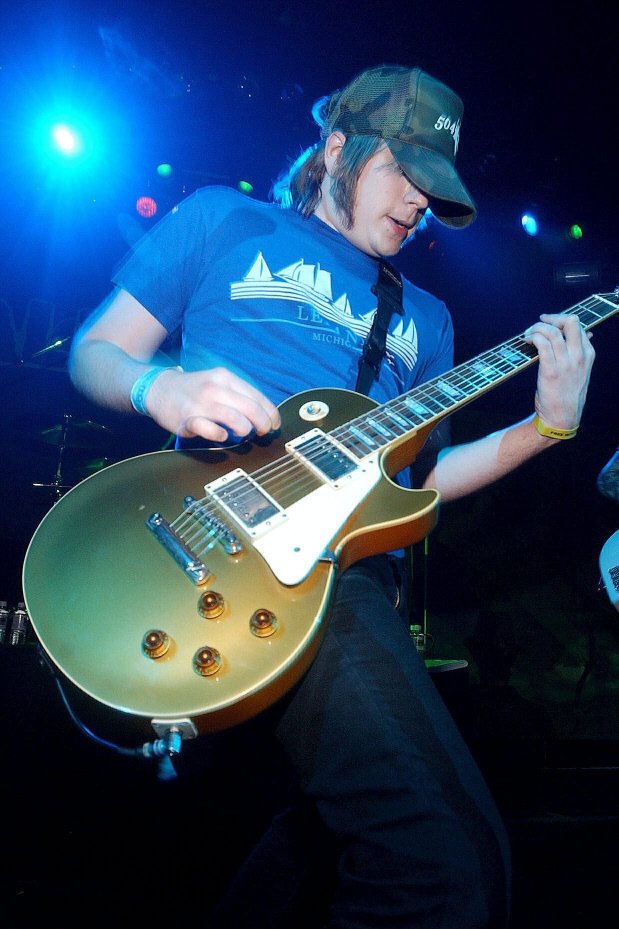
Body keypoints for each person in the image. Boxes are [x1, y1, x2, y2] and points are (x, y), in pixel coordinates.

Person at [68, 64, 595, 929]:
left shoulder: (426, 318)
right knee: (446, 866)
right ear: (339, 147)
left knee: (324, 864)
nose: (419, 202)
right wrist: (160, 388)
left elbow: (417, 485)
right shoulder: (223, 219)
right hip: (205, 541)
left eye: (435, 189)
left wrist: (545, 428)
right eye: (404, 172)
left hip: (336, 580)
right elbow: (96, 349)